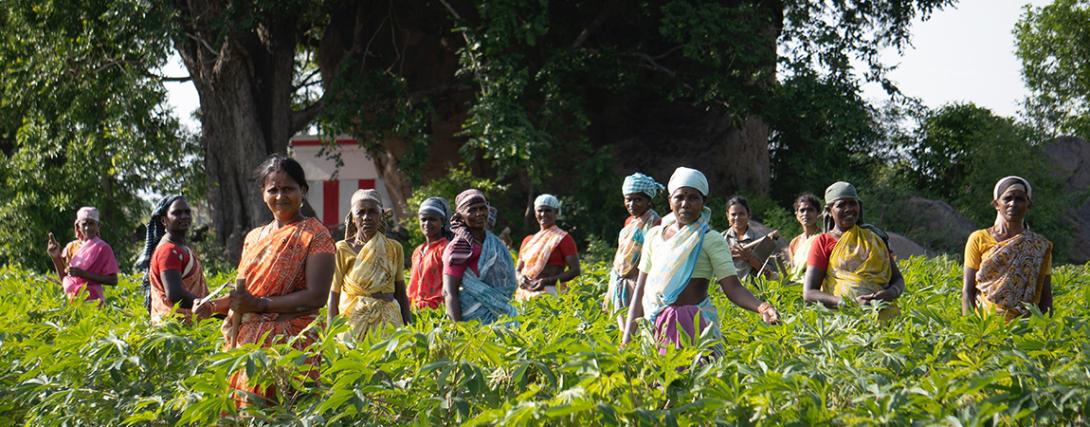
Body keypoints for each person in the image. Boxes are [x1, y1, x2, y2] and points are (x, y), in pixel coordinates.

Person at [202, 154, 335, 407]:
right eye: (273, 189)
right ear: (263, 193)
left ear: (303, 191)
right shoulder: (254, 237)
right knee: (249, 416)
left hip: (290, 345)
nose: (280, 196)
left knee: (287, 416)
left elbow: (316, 297)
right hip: (247, 345)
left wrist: (260, 305)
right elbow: (245, 296)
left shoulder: (317, 235)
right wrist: (211, 306)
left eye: (288, 189)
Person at [621, 167, 779, 354]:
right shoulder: (654, 236)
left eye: (693, 198)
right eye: (679, 197)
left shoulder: (710, 239)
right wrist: (626, 341)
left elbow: (733, 288)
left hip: (695, 325)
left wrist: (762, 307)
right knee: (659, 381)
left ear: (704, 202)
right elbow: (640, 291)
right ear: (670, 201)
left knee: (699, 377)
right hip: (656, 323)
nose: (685, 203)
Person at [802, 181, 905, 318]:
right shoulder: (823, 242)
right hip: (843, 320)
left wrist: (889, 293)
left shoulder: (874, 238)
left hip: (883, 315)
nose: (849, 209)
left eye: (852, 203)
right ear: (829, 211)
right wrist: (847, 303)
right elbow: (809, 293)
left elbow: (898, 279)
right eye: (841, 205)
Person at [962, 176, 1052, 319]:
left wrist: (1046, 330)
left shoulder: (1040, 246)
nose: (1013, 204)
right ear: (997, 204)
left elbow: (1045, 296)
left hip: (1022, 329)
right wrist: (970, 329)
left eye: (1020, 199)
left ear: (1028, 205)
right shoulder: (978, 239)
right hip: (985, 327)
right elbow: (967, 291)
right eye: (1007, 198)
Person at [328, 189, 412, 339]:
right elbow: (334, 294)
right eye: (361, 212)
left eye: (372, 212)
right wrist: (331, 333)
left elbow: (400, 292)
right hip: (352, 322)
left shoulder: (393, 248)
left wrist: (409, 329)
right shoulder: (342, 248)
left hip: (388, 320)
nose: (366, 217)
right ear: (353, 218)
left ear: (381, 216)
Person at [442, 189, 518, 324]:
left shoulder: (495, 243)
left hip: (502, 311)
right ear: (461, 216)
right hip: (473, 317)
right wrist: (459, 328)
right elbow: (449, 292)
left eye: (483, 208)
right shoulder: (459, 247)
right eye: (472, 210)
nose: (479, 214)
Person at [139, 196, 210, 324]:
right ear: (164, 220)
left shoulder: (181, 247)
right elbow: (175, 294)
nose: (184, 216)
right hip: (176, 328)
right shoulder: (168, 250)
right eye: (177, 213)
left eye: (187, 212)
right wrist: (209, 306)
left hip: (188, 325)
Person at [605, 173, 664, 326]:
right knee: (623, 328)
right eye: (628, 199)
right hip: (622, 281)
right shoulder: (629, 223)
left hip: (641, 282)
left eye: (638, 199)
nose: (632, 204)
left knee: (640, 326)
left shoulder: (657, 223)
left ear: (648, 201)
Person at [46, 207, 119, 304]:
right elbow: (64, 277)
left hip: (94, 302)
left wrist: (84, 274)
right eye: (84, 224)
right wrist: (55, 257)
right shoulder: (71, 247)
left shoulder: (103, 248)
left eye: (91, 223)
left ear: (98, 226)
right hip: (73, 300)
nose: (87, 228)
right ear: (78, 226)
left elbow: (113, 280)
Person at [515, 194, 581, 300]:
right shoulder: (528, 240)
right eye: (540, 210)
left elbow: (575, 270)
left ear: (556, 212)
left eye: (548, 210)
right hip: (526, 292)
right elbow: (517, 270)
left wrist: (546, 281)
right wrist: (520, 278)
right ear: (535, 213)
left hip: (551, 291)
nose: (543, 214)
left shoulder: (563, 238)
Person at [408, 197, 452, 310]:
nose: (427, 223)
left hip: (437, 311)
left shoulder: (446, 248)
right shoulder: (418, 251)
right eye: (423, 219)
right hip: (415, 311)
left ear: (442, 222)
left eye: (432, 219)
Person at [723, 196, 779, 281]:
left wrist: (750, 258)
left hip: (752, 292)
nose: (737, 218)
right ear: (727, 216)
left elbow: (774, 276)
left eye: (741, 214)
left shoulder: (761, 240)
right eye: (733, 214)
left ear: (748, 215)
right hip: (724, 292)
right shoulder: (721, 240)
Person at [787, 193, 822, 281]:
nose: (805, 214)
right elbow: (793, 271)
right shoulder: (794, 242)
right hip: (796, 287)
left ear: (818, 213)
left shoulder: (823, 238)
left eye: (810, 210)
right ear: (796, 214)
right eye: (802, 210)